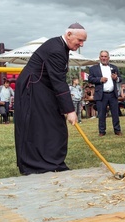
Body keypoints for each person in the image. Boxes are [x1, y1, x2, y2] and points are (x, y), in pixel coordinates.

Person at [14, 23, 87, 175]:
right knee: (38, 126)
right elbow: (59, 82)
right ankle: (39, 164)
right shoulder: (56, 50)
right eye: (79, 40)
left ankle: (50, 162)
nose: (81, 44)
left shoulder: (61, 46)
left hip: (42, 88)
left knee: (54, 124)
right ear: (68, 35)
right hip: (33, 88)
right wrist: (70, 110)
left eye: (83, 41)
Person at [88, 50, 122, 136]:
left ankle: (117, 130)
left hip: (112, 94)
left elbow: (120, 79)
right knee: (101, 114)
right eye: (102, 56)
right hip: (101, 94)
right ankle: (102, 131)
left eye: (105, 56)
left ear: (108, 58)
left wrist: (116, 78)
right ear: (99, 58)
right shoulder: (93, 68)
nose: (104, 58)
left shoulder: (114, 67)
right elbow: (90, 79)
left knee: (115, 113)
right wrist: (100, 80)